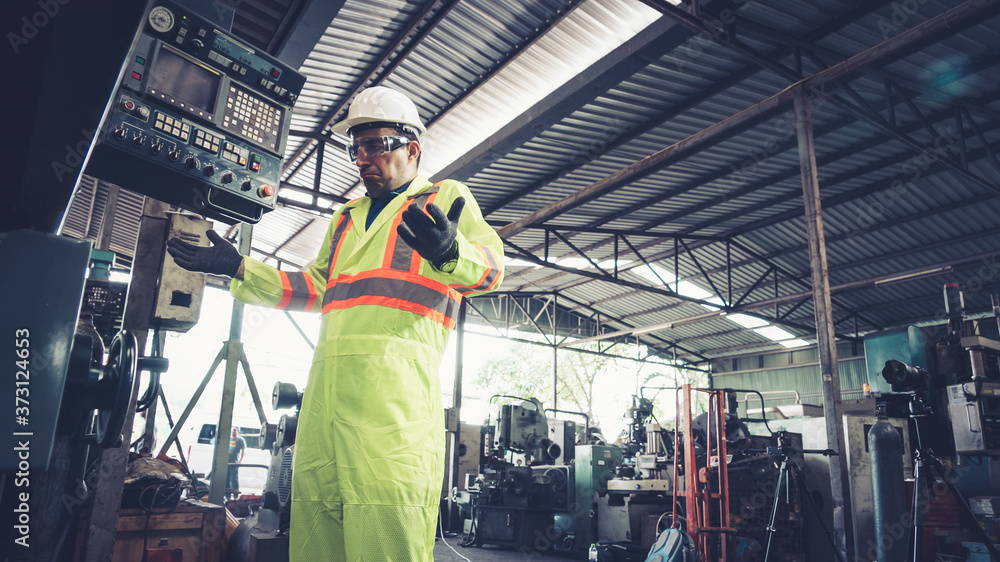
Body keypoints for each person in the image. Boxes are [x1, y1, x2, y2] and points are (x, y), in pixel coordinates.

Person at [166, 86, 504, 561]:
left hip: (393, 407)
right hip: (326, 400)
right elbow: (320, 287)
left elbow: (491, 268)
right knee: (316, 537)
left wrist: (451, 252)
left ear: (412, 148)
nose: (362, 158)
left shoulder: (443, 199)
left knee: (386, 536)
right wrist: (240, 268)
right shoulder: (346, 217)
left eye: (375, 144)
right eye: (356, 147)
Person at [226, 426, 246, 498]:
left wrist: (240, 461)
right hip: (226, 462)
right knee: (226, 479)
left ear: (237, 431)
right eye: (232, 430)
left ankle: (235, 495)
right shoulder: (228, 439)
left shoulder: (240, 440)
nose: (233, 432)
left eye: (235, 430)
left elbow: (243, 451)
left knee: (234, 479)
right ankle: (227, 495)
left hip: (234, 462)